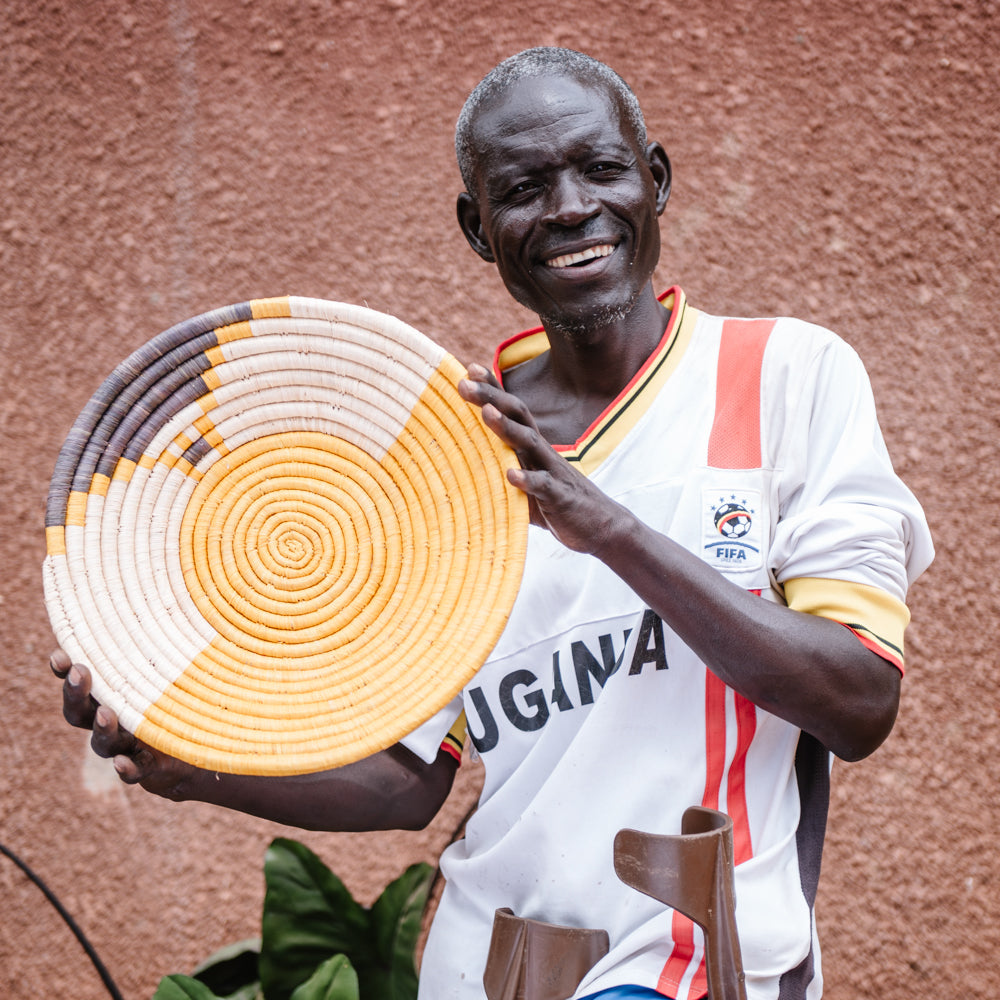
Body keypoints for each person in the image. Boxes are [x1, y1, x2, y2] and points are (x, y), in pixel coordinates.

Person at [53, 47, 933, 1000]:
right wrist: (188, 768)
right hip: (486, 966)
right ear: (480, 230)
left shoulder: (788, 377)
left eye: (600, 168)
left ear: (656, 181)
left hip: (693, 965)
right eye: (523, 188)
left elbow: (857, 701)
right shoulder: (449, 462)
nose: (567, 208)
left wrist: (614, 533)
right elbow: (410, 778)